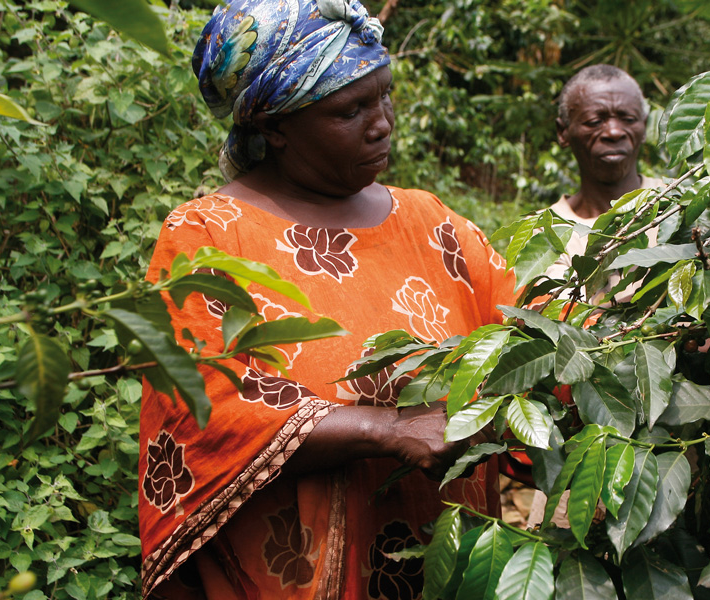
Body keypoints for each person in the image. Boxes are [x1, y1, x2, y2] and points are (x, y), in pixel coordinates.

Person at [137, 1, 515, 598]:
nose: (383, 122)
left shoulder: (432, 223)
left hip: (451, 564)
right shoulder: (208, 237)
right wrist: (383, 428)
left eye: (385, 95)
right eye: (351, 109)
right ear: (275, 127)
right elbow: (202, 411)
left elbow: (532, 331)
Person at [544, 64, 661, 300]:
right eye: (595, 121)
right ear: (563, 132)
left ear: (645, 127)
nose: (614, 132)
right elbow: (558, 320)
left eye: (628, 118)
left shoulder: (680, 202)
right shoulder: (546, 231)